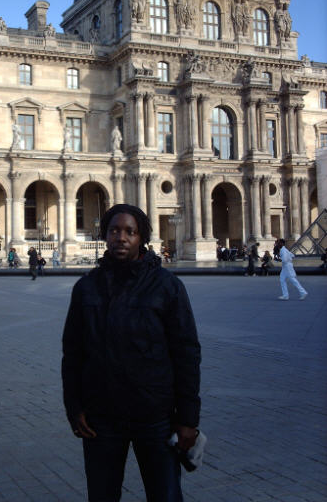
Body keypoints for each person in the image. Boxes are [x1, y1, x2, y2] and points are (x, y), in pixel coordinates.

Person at [62, 204, 201, 502]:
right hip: (102, 418)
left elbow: (186, 353)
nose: (121, 237)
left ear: (142, 238)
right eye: (114, 230)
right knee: (102, 495)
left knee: (165, 495)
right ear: (105, 236)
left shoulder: (167, 286)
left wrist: (188, 418)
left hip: (155, 417)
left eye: (130, 231)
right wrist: (74, 407)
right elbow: (72, 354)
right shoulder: (86, 288)